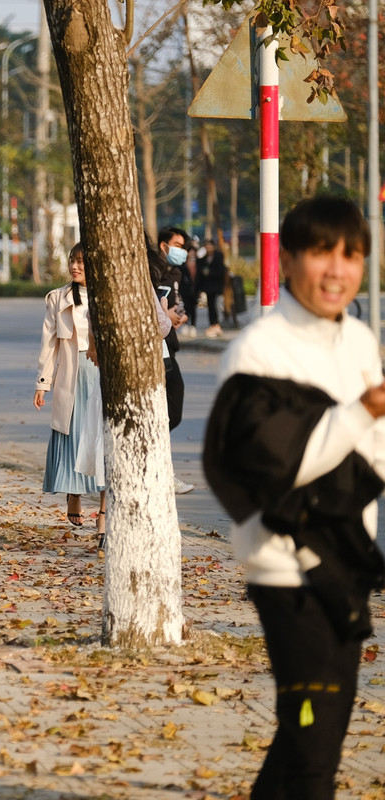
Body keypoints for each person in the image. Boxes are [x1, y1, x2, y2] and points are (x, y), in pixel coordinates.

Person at [203, 195, 385, 800]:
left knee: (307, 734)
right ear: (288, 260)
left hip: (346, 560)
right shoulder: (259, 351)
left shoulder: (359, 341)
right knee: (314, 743)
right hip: (286, 566)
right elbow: (278, 469)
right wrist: (361, 412)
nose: (337, 270)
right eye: (322, 253)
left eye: (351, 255)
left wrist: (368, 424)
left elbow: (373, 457)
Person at [34, 242, 106, 538]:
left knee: (102, 440)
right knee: (74, 435)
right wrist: (43, 382)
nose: (75, 267)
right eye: (72, 261)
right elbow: (49, 343)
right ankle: (74, 492)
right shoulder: (58, 298)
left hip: (103, 374)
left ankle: (104, 511)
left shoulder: (109, 296)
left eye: (81, 262)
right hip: (72, 375)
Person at [154, 227, 194, 494]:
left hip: (170, 346)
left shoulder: (176, 274)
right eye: (177, 245)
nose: (181, 251)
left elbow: (175, 304)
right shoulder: (151, 271)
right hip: (155, 349)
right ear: (163, 245)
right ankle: (161, 471)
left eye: (184, 247)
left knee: (173, 411)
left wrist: (179, 315)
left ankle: (158, 466)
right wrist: (164, 315)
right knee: (162, 412)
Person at [198, 238, 228, 337]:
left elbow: (221, 271)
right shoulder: (203, 258)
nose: (208, 248)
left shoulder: (218, 257)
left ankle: (216, 324)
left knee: (215, 305)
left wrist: (210, 273)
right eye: (206, 246)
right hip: (208, 286)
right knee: (210, 305)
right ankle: (213, 324)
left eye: (210, 246)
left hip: (216, 285)